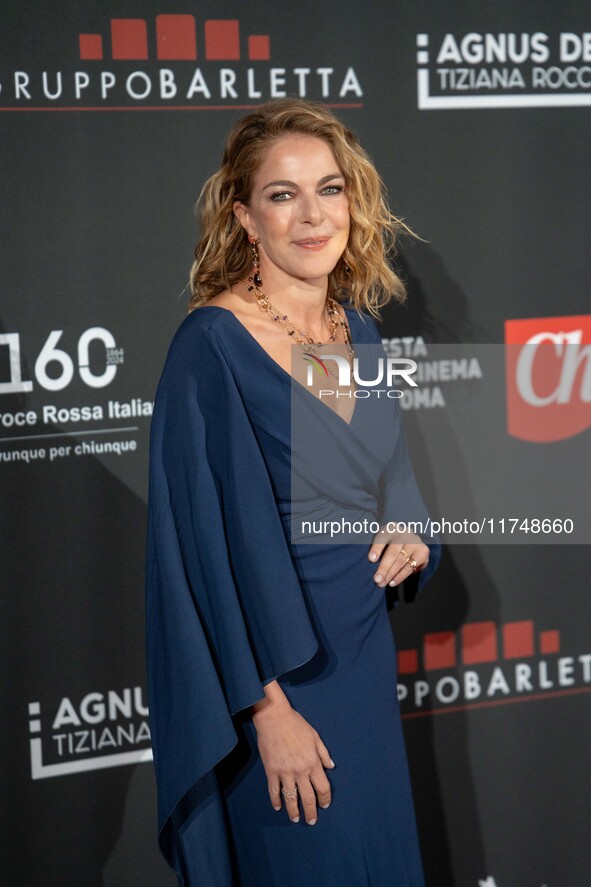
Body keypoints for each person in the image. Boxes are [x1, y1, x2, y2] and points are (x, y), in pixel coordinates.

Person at [145, 98, 441, 887]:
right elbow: (200, 556)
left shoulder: (358, 332)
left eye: (330, 189)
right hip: (281, 680)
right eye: (283, 195)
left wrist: (413, 536)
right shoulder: (212, 345)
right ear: (244, 217)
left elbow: (391, 488)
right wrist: (265, 711)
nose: (312, 215)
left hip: (361, 659)